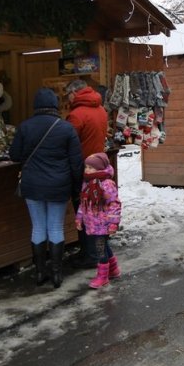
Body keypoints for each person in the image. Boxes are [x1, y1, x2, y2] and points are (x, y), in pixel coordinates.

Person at [9, 88, 83, 289]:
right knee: (56, 227)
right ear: (54, 106)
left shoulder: (24, 127)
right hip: (58, 185)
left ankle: (40, 272)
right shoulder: (66, 128)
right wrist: (76, 187)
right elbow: (76, 163)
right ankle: (57, 274)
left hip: (32, 185)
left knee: (38, 227)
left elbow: (15, 155)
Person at [65, 79, 109, 269]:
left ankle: (89, 255)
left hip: (83, 169)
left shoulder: (76, 115)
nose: (67, 98)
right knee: (96, 211)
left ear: (74, 93)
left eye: (67, 95)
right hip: (98, 167)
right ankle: (98, 252)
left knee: (83, 213)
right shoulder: (101, 110)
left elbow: (67, 144)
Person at [75, 152, 122, 289]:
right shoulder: (87, 184)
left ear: (100, 168)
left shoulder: (107, 184)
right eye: (86, 167)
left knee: (100, 249)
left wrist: (113, 223)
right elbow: (83, 203)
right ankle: (113, 270)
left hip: (103, 223)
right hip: (91, 223)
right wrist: (79, 218)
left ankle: (103, 277)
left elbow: (114, 204)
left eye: (91, 167)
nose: (87, 170)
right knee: (104, 246)